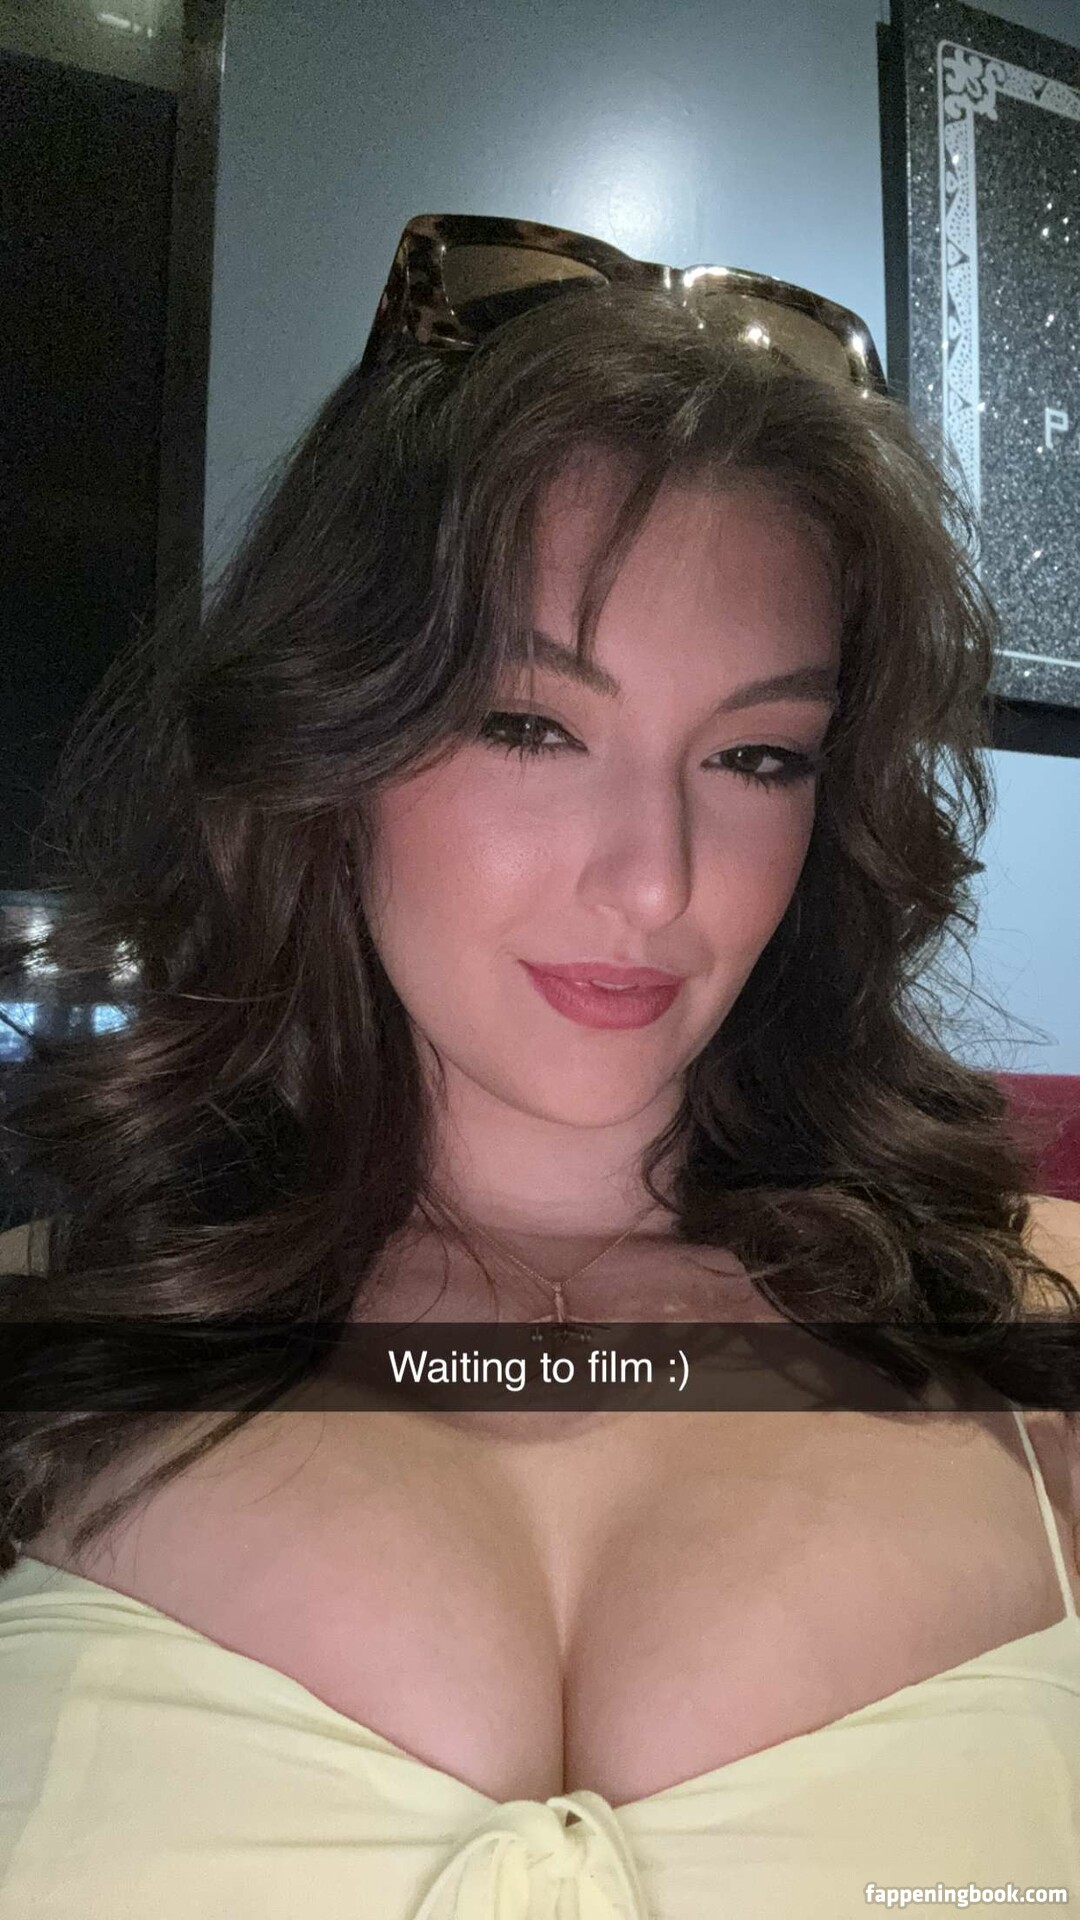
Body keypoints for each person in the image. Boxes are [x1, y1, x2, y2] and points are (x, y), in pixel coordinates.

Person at [0, 214, 1078, 1917]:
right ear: (331, 737)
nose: (654, 881)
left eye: (757, 756)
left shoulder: (1037, 1337)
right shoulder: (51, 1341)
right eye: (527, 724)